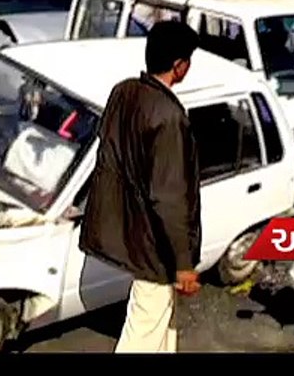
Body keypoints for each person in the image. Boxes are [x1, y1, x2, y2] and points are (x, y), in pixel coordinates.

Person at [79, 21, 202, 353]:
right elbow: (169, 198)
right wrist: (183, 263)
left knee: (162, 319)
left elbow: (110, 154)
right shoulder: (169, 117)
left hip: (132, 229)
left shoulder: (124, 91)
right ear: (180, 66)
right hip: (155, 246)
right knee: (144, 328)